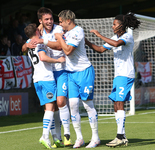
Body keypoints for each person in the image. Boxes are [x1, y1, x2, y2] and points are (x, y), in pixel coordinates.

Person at [85, 12, 140, 147]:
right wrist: (85, 41)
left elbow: (116, 44)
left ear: (121, 25)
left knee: (120, 103)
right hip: (118, 76)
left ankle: (120, 137)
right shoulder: (114, 37)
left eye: (115, 24)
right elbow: (99, 49)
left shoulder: (128, 36)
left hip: (126, 75)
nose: (112, 26)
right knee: (116, 104)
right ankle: (122, 136)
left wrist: (99, 35)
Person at [22, 7, 71, 148]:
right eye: (46, 20)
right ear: (40, 22)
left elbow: (57, 45)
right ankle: (45, 136)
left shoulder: (54, 31)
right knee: (50, 108)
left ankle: (58, 137)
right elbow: (42, 57)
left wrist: (31, 43)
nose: (49, 21)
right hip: (47, 76)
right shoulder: (38, 40)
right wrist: (58, 60)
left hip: (38, 78)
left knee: (56, 104)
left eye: (51, 19)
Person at [54, 10, 100, 148]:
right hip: (71, 73)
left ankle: (95, 137)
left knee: (87, 105)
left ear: (68, 20)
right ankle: (79, 138)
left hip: (84, 72)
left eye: (61, 21)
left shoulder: (78, 31)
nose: (60, 24)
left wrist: (59, 37)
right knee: (72, 105)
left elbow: (68, 50)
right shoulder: (65, 33)